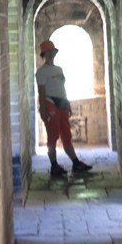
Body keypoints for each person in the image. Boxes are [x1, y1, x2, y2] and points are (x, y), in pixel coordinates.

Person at [35, 39, 92, 177]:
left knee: (66, 135)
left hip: (62, 104)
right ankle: (54, 165)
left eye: (52, 52)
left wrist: (67, 103)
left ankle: (76, 163)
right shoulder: (41, 72)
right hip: (50, 103)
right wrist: (43, 110)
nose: (51, 54)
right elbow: (41, 92)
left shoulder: (59, 69)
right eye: (48, 52)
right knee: (52, 136)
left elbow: (62, 87)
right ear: (44, 55)